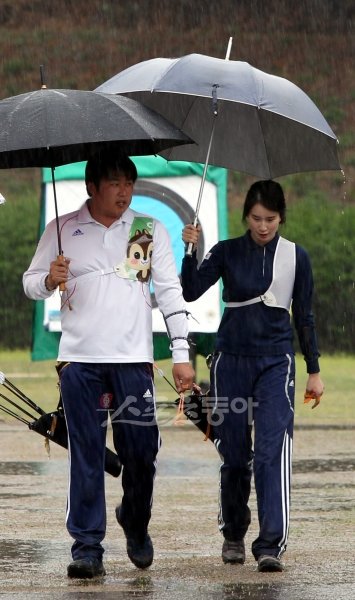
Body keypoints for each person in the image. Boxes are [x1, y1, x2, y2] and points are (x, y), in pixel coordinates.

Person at [23, 150, 194, 579]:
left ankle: (135, 522)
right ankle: (86, 546)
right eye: (115, 183)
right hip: (80, 362)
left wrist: (180, 354)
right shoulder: (62, 230)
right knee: (85, 452)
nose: (125, 191)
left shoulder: (145, 228)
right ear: (92, 187)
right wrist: (49, 279)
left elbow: (170, 292)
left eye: (129, 183)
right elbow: (30, 284)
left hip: (133, 361)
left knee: (142, 452)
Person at [181, 180, 324, 573]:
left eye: (272, 219)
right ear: (246, 216)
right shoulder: (226, 251)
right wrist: (189, 250)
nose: (264, 227)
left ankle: (270, 544)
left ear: (281, 218)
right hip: (231, 362)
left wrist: (313, 370)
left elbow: (306, 318)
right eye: (257, 219)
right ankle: (233, 533)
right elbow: (191, 291)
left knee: (270, 453)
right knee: (234, 454)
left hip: (277, 363)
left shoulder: (297, 257)